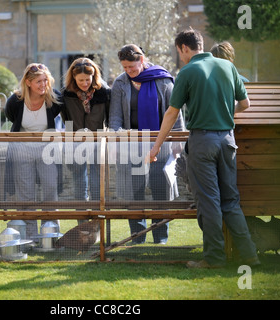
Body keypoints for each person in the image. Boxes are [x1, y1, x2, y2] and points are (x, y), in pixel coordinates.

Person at [149, 29, 260, 268]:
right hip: (228, 141)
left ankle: (214, 259)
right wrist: (223, 115)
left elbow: (171, 113)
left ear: (183, 48)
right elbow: (245, 104)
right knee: (231, 201)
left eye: (179, 52)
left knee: (209, 202)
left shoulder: (187, 71)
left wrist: (156, 146)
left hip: (203, 142)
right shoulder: (227, 67)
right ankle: (250, 255)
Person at [109, 44, 185, 244]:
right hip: (131, 145)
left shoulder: (162, 79)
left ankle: (160, 236)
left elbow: (175, 112)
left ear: (141, 61)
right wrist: (116, 141)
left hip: (161, 143)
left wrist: (178, 141)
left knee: (160, 189)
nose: (129, 71)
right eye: (125, 68)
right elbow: (115, 118)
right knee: (135, 192)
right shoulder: (120, 83)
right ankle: (138, 236)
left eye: (132, 67)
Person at [5, 63, 62, 238]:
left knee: (51, 187)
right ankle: (29, 235)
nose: (43, 84)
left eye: (46, 80)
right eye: (39, 81)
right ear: (28, 83)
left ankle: (50, 232)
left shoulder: (54, 98)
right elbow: (11, 117)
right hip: (22, 148)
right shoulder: (15, 101)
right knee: (25, 192)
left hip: (47, 149)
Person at [61, 57, 110, 202]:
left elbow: (108, 118)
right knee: (79, 184)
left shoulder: (104, 93)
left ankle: (96, 219)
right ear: (73, 78)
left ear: (94, 76)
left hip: (97, 142)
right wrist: (70, 142)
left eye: (87, 80)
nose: (84, 83)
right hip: (75, 142)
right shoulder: (67, 95)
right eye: (80, 80)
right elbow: (66, 120)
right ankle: (82, 221)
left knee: (96, 183)